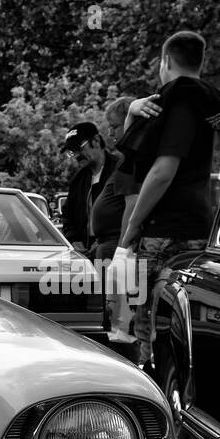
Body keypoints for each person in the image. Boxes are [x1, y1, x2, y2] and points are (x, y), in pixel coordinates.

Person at [113, 31, 220, 368]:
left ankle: (156, 406)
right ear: (200, 63)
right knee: (185, 325)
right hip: (199, 226)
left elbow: (163, 170)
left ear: (165, 62)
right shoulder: (205, 100)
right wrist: (132, 111)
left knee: (147, 329)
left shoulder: (180, 101)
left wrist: (131, 231)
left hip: (164, 231)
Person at [88, 97, 137, 346]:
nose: (110, 132)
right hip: (109, 247)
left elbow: (132, 205)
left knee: (120, 327)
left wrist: (122, 250)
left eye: (115, 126)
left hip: (119, 247)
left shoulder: (132, 160)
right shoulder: (123, 160)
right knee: (110, 319)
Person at [59, 121, 119, 252]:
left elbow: (128, 210)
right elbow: (67, 215)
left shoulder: (120, 170)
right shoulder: (78, 179)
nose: (76, 155)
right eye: (72, 152)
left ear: (96, 140)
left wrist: (104, 240)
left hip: (116, 249)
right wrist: (73, 239)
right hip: (86, 251)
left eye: (79, 148)